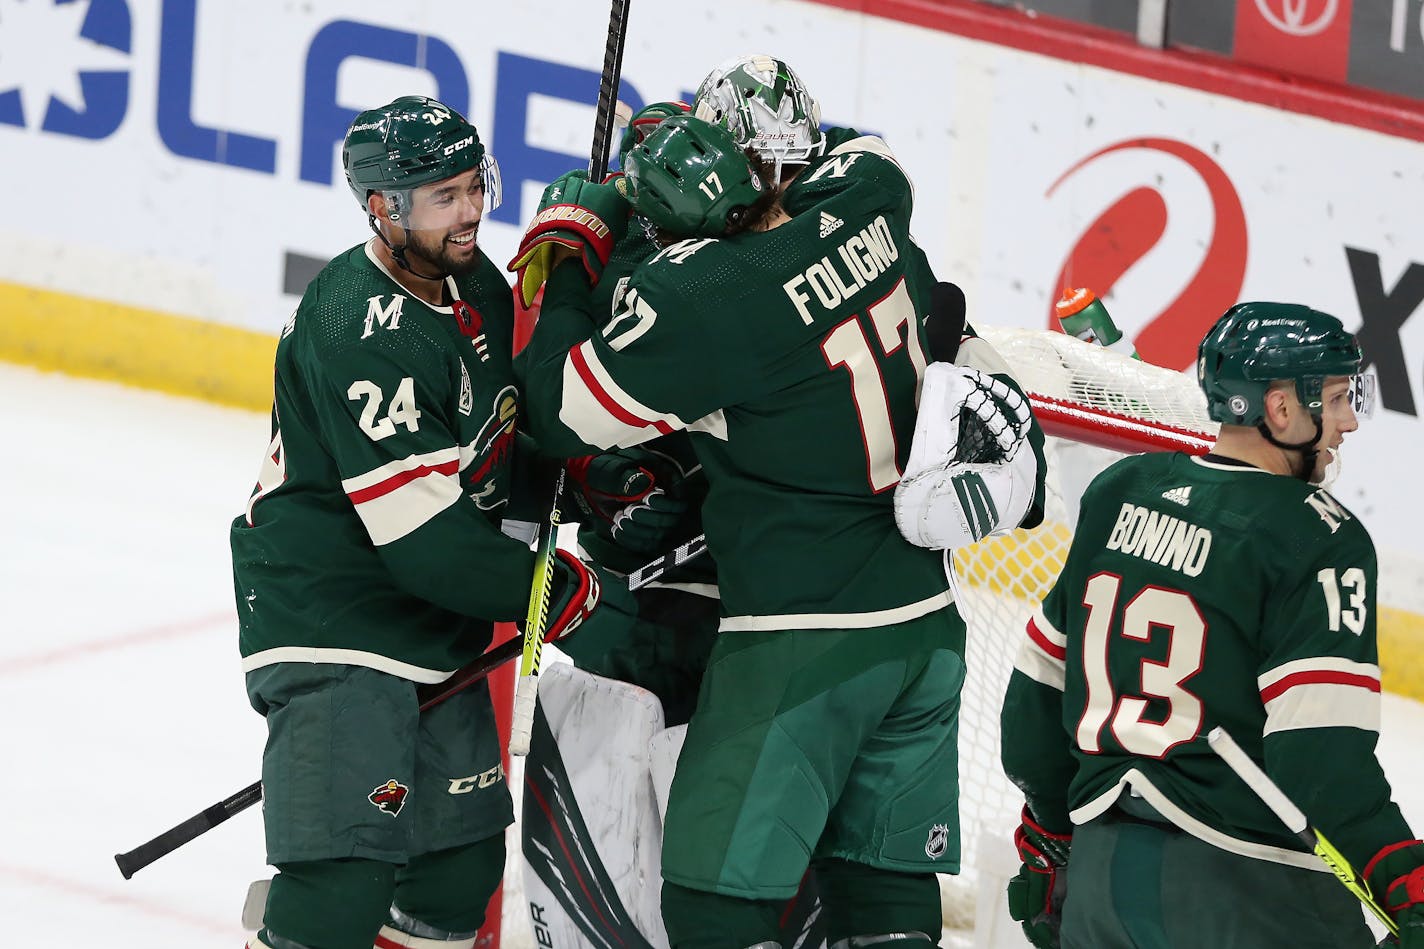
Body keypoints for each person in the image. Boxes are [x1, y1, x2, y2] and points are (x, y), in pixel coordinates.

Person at [513, 111, 1046, 949]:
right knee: (882, 889)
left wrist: (571, 256)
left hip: (800, 640)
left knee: (710, 906)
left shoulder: (708, 295)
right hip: (924, 628)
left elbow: (561, 408)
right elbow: (857, 158)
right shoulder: (871, 198)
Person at [229, 95, 599, 949]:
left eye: (475, 187)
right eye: (444, 196)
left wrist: (579, 480)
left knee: (456, 863)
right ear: (381, 208)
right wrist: (553, 589)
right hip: (335, 614)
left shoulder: (476, 284)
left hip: (432, 622)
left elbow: (504, 437)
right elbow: (429, 548)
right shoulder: (357, 323)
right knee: (344, 876)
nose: (470, 211)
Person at [999, 302, 1424, 948]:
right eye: (1337, 398)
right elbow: (1321, 759)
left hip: (1101, 880)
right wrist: (1403, 877)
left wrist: (1050, 839)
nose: (1350, 420)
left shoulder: (1119, 489)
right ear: (1281, 409)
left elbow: (1034, 704)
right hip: (1247, 893)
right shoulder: (1316, 534)